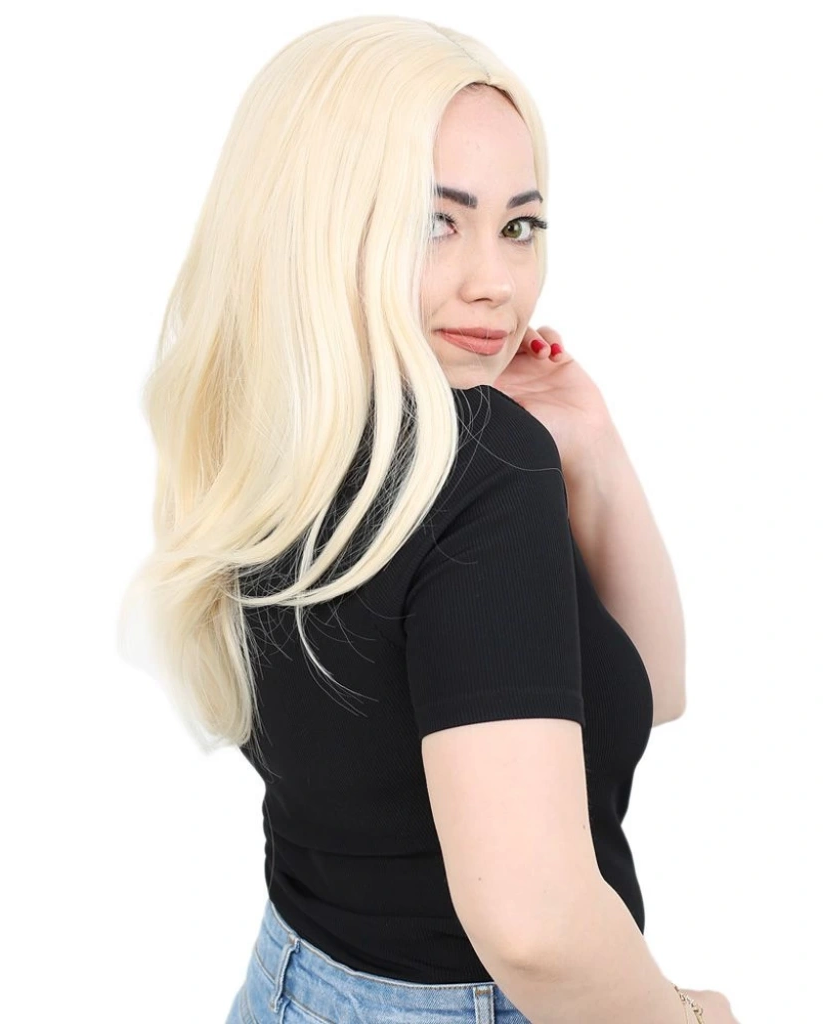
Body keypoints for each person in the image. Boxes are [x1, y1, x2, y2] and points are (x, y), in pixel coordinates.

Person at [117, 14, 739, 1024]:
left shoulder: (268, 434)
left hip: (288, 982)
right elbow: (534, 928)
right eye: (434, 221)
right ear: (319, 225)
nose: (495, 282)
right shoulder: (479, 463)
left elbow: (648, 690)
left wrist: (590, 445)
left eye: (518, 226)